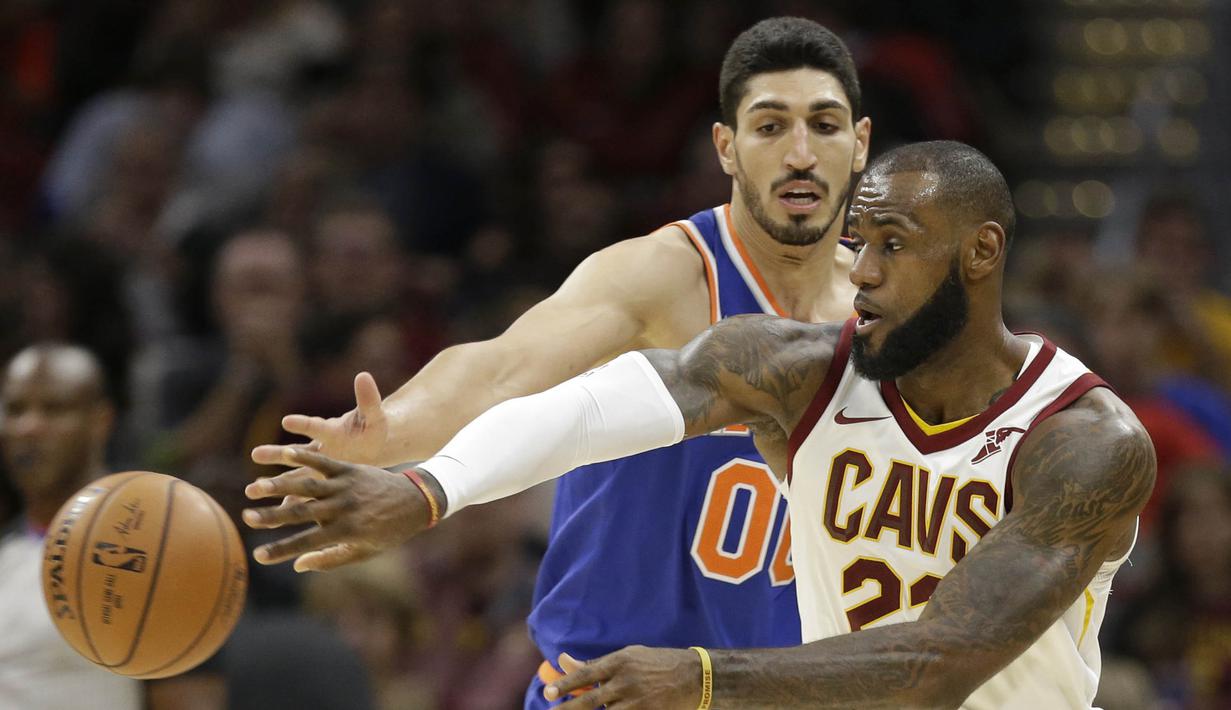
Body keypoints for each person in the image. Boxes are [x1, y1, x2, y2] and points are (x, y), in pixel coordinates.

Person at [246, 141, 1156, 708]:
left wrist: (705, 680)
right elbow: (597, 405)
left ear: (979, 254)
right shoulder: (804, 371)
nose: (861, 272)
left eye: (892, 246)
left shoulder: (1083, 442)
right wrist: (425, 489)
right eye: (857, 241)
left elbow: (935, 662)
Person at [246, 16, 870, 707]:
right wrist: (392, 430)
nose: (800, 152)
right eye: (770, 126)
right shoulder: (664, 277)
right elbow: (502, 368)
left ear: (860, 143)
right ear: (725, 147)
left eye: (824, 124)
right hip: (614, 690)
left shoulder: (890, 319)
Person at [0, 344, 143, 709]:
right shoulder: (9, 550)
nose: (29, 427)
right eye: (15, 410)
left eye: (54, 409)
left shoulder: (153, 541)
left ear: (101, 421)